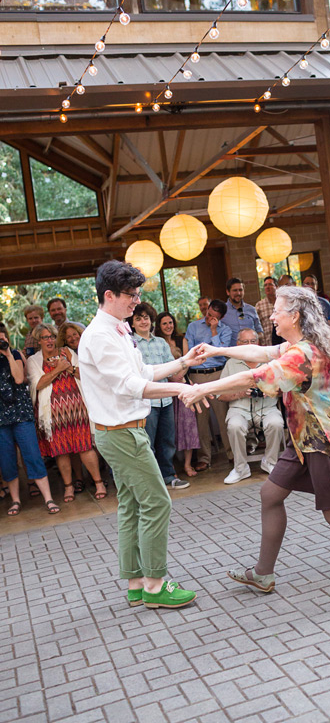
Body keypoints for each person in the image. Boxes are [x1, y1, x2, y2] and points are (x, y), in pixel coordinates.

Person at [179, 285, 330, 596]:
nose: (272, 315)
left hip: (324, 442)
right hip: (304, 440)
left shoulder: (302, 353)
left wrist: (202, 389)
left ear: (296, 315)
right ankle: (263, 574)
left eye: (277, 310)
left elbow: (254, 376)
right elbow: (261, 353)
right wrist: (219, 350)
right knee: (270, 495)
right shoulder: (298, 345)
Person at [80, 260, 205, 609]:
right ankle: (155, 585)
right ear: (109, 295)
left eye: (137, 294)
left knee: (133, 506)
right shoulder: (100, 336)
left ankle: (136, 583)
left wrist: (183, 364)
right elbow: (131, 386)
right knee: (157, 501)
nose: (137, 301)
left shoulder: (118, 329)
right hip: (121, 432)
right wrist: (179, 391)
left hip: (121, 430)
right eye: (131, 295)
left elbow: (145, 370)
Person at [27, 323, 108, 508]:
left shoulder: (67, 353)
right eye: (45, 337)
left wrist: (68, 367)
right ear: (39, 340)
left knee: (85, 446)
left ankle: (98, 483)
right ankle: (68, 486)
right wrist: (58, 369)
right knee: (60, 450)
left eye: (52, 336)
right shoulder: (34, 360)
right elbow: (38, 385)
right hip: (52, 412)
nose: (49, 340)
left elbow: (85, 375)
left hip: (77, 407)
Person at [131, 303, 189, 491]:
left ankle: (168, 476)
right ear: (132, 323)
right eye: (138, 318)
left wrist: (187, 366)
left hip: (166, 399)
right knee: (147, 442)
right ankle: (151, 482)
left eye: (146, 317)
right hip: (146, 401)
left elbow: (173, 373)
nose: (143, 321)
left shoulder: (161, 343)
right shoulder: (130, 345)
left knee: (167, 441)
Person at [0, 323, 54, 516]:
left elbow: (18, 379)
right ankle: (15, 500)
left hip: (21, 414)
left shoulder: (15, 355)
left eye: (3, 337)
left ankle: (48, 498)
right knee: (6, 460)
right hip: (1, 420)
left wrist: (7, 354)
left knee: (32, 455)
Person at [220, 328, 285, 484]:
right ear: (238, 344)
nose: (249, 345)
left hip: (267, 408)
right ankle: (240, 468)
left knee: (276, 423)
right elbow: (220, 395)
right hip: (239, 409)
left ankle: (270, 462)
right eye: (245, 342)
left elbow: (284, 389)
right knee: (235, 425)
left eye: (252, 341)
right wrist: (240, 393)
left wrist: (270, 390)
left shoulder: (270, 362)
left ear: (258, 343)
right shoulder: (231, 363)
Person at [184, 298, 235, 471]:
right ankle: (204, 458)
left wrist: (214, 331)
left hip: (217, 374)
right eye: (208, 313)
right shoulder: (193, 327)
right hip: (198, 375)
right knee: (201, 420)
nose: (208, 317)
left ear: (220, 318)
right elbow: (191, 353)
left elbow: (221, 354)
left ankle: (232, 454)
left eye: (213, 317)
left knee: (224, 417)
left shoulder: (225, 330)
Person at [157, 312, 200, 477]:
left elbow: (187, 364)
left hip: (182, 386)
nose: (168, 326)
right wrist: (172, 376)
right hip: (164, 390)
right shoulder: (158, 343)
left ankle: (188, 464)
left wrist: (177, 376)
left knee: (188, 427)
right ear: (159, 326)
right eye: (164, 324)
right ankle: (171, 467)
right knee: (169, 430)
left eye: (170, 322)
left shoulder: (182, 341)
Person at [255, 276, 278, 345]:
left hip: (283, 342)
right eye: (265, 285)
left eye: (270, 284)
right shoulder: (259, 305)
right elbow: (256, 326)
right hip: (267, 344)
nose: (267, 287)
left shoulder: (282, 302)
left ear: (276, 286)